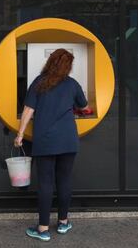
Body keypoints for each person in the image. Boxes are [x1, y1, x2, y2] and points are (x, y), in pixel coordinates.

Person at [14, 48, 89, 242]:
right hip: (68, 140)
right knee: (64, 181)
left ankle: (43, 229)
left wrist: (20, 134)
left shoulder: (39, 82)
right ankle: (63, 223)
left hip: (46, 140)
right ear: (68, 66)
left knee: (46, 184)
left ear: (50, 62)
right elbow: (83, 105)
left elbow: (28, 110)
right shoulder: (72, 84)